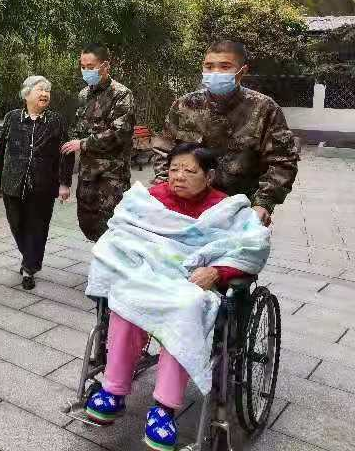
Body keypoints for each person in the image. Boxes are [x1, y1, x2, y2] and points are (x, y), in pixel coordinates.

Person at [84, 143, 267, 451]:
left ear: (209, 176)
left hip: (192, 284)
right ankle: (113, 391)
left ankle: (164, 409)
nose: (179, 176)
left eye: (189, 171)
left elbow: (253, 246)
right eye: (174, 169)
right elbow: (120, 234)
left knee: (186, 307)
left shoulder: (227, 209)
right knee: (125, 297)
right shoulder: (150, 200)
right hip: (150, 275)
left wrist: (218, 272)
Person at [153, 40, 299, 226]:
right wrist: (163, 188)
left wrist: (263, 203)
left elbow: (283, 162)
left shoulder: (264, 109)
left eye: (225, 66)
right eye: (209, 66)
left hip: (239, 210)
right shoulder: (184, 105)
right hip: (184, 206)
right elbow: (163, 150)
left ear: (242, 71)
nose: (215, 72)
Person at [0, 76, 74, 290]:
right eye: (40, 89)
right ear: (27, 94)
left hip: (43, 185)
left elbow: (66, 154)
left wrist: (64, 183)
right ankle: (29, 258)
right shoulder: (12, 118)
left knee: (38, 227)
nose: (45, 94)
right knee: (17, 224)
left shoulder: (56, 121)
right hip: (12, 182)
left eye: (47, 91)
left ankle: (29, 268)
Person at [61, 44, 135, 241]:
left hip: (112, 176)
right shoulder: (83, 95)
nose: (86, 71)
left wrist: (84, 143)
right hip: (87, 175)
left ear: (105, 65)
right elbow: (77, 131)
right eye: (83, 66)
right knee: (88, 223)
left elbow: (120, 133)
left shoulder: (121, 94)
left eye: (90, 66)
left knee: (112, 227)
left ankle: (111, 268)